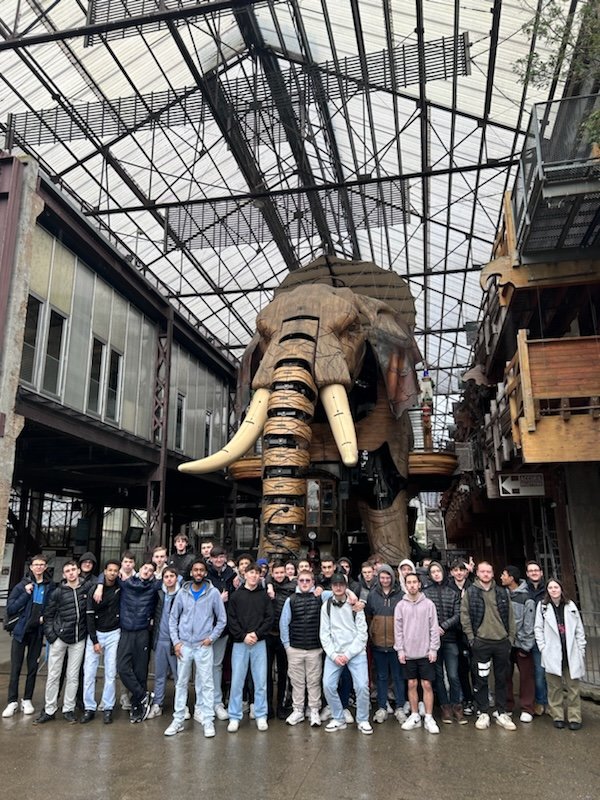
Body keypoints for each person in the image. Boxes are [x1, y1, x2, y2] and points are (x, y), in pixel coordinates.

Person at [164, 559, 227, 738]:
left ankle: (207, 719)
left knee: (206, 684)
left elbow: (222, 620)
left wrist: (211, 638)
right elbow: (173, 618)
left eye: (201, 570)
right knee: (181, 683)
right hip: (184, 645)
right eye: (195, 570)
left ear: (205, 573)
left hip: (202, 646)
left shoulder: (213, 593)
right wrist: (176, 642)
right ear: (191, 573)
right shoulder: (182, 593)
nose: (198, 573)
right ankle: (178, 720)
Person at [96, 561, 161, 723]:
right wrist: (99, 585)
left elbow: (174, 578)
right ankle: (142, 695)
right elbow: (106, 575)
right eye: (145, 567)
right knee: (122, 667)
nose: (147, 571)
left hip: (142, 632)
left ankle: (138, 706)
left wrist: (162, 569)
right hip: (125, 631)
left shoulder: (153, 586)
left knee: (140, 671)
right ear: (139, 569)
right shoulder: (126, 583)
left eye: (151, 570)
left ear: (153, 574)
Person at [460, 561, 516, 731]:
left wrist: (510, 639)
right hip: (481, 642)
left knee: (501, 678)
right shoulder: (471, 592)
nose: (485, 574)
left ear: (492, 574)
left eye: (488, 571)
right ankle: (483, 711)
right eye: (482, 571)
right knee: (480, 678)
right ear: (477, 573)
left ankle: (501, 711)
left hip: (501, 641)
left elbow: (511, 617)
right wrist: (471, 638)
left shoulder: (502, 592)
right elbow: (465, 616)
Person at [34, 560, 89, 724]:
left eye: (73, 569)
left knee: (73, 676)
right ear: (64, 574)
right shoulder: (58, 593)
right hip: (59, 638)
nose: (71, 573)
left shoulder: (86, 589)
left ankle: (68, 709)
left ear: (78, 571)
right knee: (53, 675)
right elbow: (48, 616)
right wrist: (52, 636)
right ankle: (50, 709)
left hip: (78, 639)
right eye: (68, 571)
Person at [320, 572, 372, 735]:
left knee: (362, 686)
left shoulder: (355, 606)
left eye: (341, 585)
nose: (338, 587)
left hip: (355, 653)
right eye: (335, 585)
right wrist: (334, 655)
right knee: (328, 685)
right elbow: (324, 633)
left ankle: (363, 720)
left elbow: (362, 633)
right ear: (332, 587)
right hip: (334, 652)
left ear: (345, 586)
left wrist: (348, 654)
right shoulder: (326, 606)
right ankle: (338, 717)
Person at [3, 554, 55, 718]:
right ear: (31, 567)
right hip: (20, 632)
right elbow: (10, 609)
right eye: (36, 564)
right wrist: (26, 594)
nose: (39, 567)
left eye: (42, 564)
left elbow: (52, 608)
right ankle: (12, 701)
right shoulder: (21, 586)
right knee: (16, 668)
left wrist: (45, 618)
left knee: (32, 668)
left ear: (45, 567)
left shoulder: (50, 587)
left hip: (37, 633)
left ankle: (27, 699)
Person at [226, 562, 274, 732]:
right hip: (240, 644)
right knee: (237, 682)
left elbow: (269, 618)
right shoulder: (236, 597)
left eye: (257, 573)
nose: (254, 576)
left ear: (260, 576)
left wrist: (257, 634)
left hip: (259, 643)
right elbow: (231, 620)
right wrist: (243, 636)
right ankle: (234, 716)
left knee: (260, 682)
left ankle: (261, 714)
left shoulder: (264, 597)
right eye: (251, 572)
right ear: (244, 574)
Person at [534, 578, 586, 730]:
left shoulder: (570, 606)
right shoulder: (542, 607)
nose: (553, 590)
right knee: (554, 688)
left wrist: (581, 649)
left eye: (556, 587)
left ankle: (574, 717)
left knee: (573, 688)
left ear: (561, 589)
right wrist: (543, 648)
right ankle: (557, 716)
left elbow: (579, 629)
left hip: (571, 653)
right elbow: (538, 628)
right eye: (550, 588)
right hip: (552, 653)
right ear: (547, 591)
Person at [394, 572, 440, 734]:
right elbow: (398, 630)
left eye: (415, 582)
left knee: (426, 684)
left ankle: (428, 716)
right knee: (411, 684)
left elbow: (434, 628)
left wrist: (433, 648)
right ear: (405, 585)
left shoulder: (428, 604)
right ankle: (414, 715)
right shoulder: (401, 606)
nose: (412, 585)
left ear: (419, 584)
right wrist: (400, 649)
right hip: (408, 652)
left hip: (426, 652)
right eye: (409, 582)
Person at [279, 569, 323, 727]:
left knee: (313, 681)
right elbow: (284, 623)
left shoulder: (320, 597)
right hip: (295, 648)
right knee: (297, 682)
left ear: (313, 582)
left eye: (308, 580)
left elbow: (340, 592)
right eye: (302, 580)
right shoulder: (291, 600)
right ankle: (298, 710)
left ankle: (314, 710)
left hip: (314, 648)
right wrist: (287, 646)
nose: (305, 583)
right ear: (297, 582)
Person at [365, 564, 406, 725]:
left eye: (387, 577)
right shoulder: (372, 595)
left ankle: (400, 706)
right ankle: (382, 706)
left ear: (392, 577)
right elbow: (368, 616)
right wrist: (372, 634)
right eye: (382, 577)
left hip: (396, 644)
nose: (385, 580)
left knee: (398, 677)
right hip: (378, 643)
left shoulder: (401, 595)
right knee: (381, 676)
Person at [81, 559, 122, 724]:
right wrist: (94, 639)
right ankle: (89, 707)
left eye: (115, 570)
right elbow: (89, 615)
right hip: (96, 633)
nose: (112, 573)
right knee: (89, 672)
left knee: (110, 673)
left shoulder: (121, 587)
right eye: (110, 570)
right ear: (104, 571)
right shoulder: (94, 590)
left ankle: (108, 707)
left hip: (114, 633)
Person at [424, 561, 464, 724]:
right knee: (438, 675)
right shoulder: (425, 593)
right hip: (433, 640)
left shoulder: (452, 592)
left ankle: (457, 704)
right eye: (432, 572)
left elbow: (458, 613)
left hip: (450, 638)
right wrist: (435, 628)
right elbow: (424, 615)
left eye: (438, 571)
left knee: (453, 675)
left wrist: (444, 626)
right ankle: (445, 706)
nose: (436, 574)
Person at [500, 565, 536, 723]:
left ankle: (527, 707)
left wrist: (526, 645)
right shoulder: (501, 594)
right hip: (506, 642)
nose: (501, 577)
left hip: (521, 643)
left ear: (511, 578)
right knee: (505, 676)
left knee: (526, 677)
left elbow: (529, 624)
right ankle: (508, 706)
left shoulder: (526, 598)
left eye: (504, 574)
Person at [206, 545, 237, 720]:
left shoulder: (231, 575)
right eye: (215, 557)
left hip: (222, 628)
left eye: (221, 557)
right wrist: (218, 597)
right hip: (204, 628)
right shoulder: (205, 574)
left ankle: (217, 702)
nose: (218, 560)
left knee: (217, 666)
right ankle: (204, 702)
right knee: (203, 668)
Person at [147, 566, 181, 719]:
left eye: (172, 576)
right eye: (166, 576)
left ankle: (181, 706)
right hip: (160, 639)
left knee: (178, 676)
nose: (169, 579)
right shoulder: (159, 593)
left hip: (176, 642)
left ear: (177, 578)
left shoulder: (182, 594)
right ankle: (157, 704)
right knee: (159, 675)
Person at [265, 560, 296, 718]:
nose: (279, 575)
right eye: (276, 573)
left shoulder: (292, 588)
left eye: (281, 572)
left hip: (284, 636)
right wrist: (269, 584)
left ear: (286, 572)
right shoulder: (267, 586)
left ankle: (282, 706)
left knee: (284, 673)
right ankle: (268, 706)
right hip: (268, 635)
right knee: (266, 673)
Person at [449, 558, 475, 715]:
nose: (459, 573)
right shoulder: (448, 587)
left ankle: (479, 697)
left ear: (466, 572)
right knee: (461, 669)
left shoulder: (472, 587)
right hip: (455, 633)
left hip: (472, 632)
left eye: (461, 570)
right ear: (451, 572)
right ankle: (466, 698)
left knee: (476, 668)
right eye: (455, 570)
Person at [526, 560, 548, 715]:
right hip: (531, 636)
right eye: (531, 570)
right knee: (538, 673)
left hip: (548, 635)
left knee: (550, 673)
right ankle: (540, 701)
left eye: (536, 570)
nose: (534, 573)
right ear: (527, 574)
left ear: (541, 572)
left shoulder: (549, 589)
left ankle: (550, 702)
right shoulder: (524, 590)